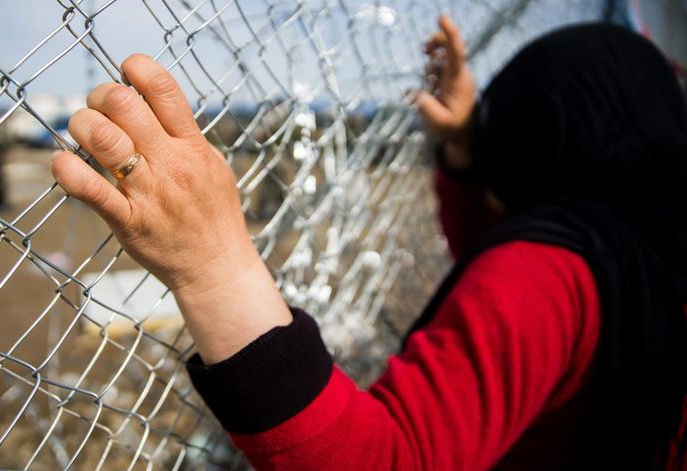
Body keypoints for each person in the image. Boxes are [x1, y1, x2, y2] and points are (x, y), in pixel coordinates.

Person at [50, 16, 687, 470]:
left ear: (533, 138)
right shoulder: (642, 240)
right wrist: (467, 153)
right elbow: (521, 319)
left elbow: (388, 458)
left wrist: (214, 267)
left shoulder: (549, 273)